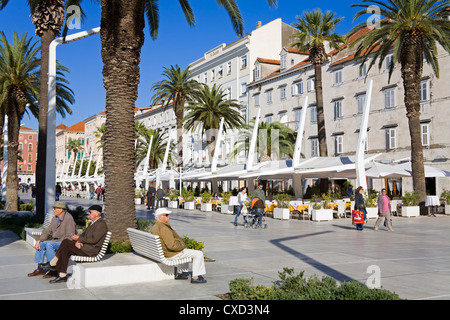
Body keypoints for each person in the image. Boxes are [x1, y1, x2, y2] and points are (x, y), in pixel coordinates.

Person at [42, 204, 108, 283]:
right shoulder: (93, 223)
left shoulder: (101, 224)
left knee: (66, 242)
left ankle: (53, 263)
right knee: (65, 250)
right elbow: (84, 235)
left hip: (90, 251)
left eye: (90, 212)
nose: (89, 214)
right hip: (85, 247)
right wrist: (78, 241)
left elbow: (94, 240)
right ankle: (62, 276)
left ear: (97, 213)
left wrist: (78, 239)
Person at [151, 208, 207, 284]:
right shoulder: (164, 228)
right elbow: (172, 246)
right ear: (160, 217)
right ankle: (196, 277)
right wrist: (182, 245)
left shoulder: (156, 226)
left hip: (164, 252)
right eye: (166, 215)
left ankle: (181, 273)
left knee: (187, 252)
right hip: (170, 254)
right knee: (199, 254)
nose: (169, 216)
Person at [27, 201, 76, 278]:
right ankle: (40, 269)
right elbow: (47, 231)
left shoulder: (69, 218)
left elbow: (70, 236)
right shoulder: (55, 218)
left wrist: (61, 243)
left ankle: (52, 269)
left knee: (50, 244)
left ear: (61, 210)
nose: (53, 210)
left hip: (65, 243)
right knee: (42, 244)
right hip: (56, 241)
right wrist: (39, 240)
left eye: (54, 208)